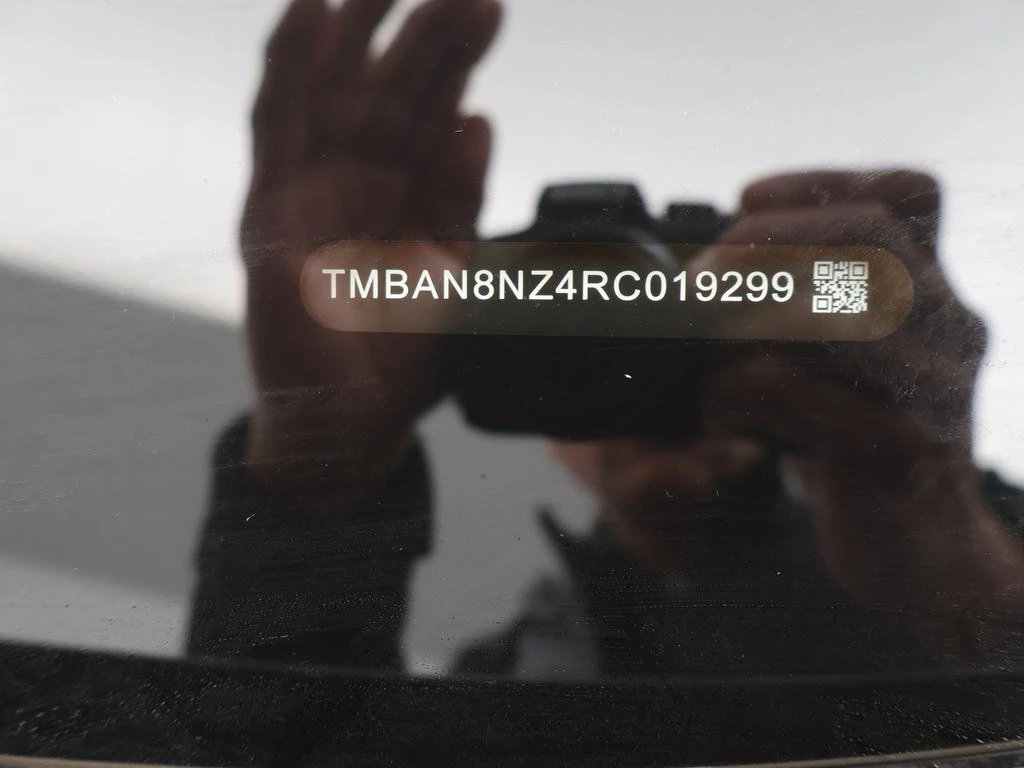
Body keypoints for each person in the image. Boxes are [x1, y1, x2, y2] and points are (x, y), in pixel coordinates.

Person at [187, 0, 1024, 678]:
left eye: (659, 322)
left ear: (762, 336)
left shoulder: (890, 555)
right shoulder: (508, 676)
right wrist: (322, 469)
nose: (627, 370)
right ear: (539, 421)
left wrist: (956, 548)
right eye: (571, 338)